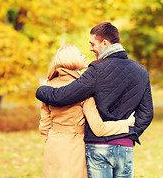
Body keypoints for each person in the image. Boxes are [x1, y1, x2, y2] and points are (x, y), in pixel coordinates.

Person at [36, 22, 154, 178]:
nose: (90, 49)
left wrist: (42, 89)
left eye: (93, 44)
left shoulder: (96, 70)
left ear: (105, 43)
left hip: (98, 146)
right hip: (125, 146)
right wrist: (129, 133)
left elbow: (62, 96)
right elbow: (147, 113)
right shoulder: (141, 71)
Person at [39, 45, 135, 178]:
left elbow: (44, 125)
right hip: (75, 149)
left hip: (53, 147)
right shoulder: (83, 90)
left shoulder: (48, 86)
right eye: (80, 54)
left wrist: (54, 140)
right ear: (71, 60)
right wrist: (126, 123)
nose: (84, 56)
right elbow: (98, 128)